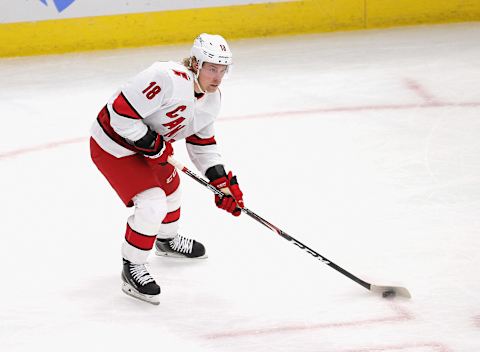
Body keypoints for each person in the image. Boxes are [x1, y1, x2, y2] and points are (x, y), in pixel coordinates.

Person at [89, 33, 245, 305]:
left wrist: (220, 182)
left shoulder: (211, 98)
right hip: (113, 145)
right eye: (211, 68)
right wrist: (153, 144)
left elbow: (202, 143)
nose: (217, 77)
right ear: (196, 63)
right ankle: (132, 266)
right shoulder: (165, 78)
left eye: (222, 70)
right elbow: (120, 115)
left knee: (172, 190)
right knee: (152, 204)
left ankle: (166, 240)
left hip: (150, 148)